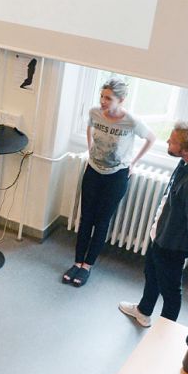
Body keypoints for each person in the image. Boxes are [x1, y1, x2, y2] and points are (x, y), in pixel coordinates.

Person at [119, 121, 188, 326]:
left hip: (172, 244)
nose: (168, 142)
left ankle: (166, 330)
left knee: (171, 291)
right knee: (151, 274)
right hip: (162, 235)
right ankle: (143, 311)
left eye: (173, 141)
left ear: (187, 149)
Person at [63, 78, 155, 287]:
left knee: (101, 221)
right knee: (86, 218)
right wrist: (90, 150)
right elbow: (89, 128)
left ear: (121, 100)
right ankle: (77, 262)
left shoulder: (131, 121)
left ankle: (87, 266)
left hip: (116, 176)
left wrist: (133, 162)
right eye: (102, 96)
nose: (103, 101)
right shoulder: (95, 113)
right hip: (93, 171)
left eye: (108, 98)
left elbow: (151, 138)